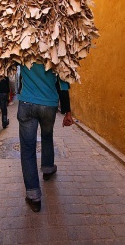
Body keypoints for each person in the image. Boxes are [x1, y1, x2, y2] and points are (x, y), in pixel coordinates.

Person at [17, 63, 74, 212]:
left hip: (27, 103)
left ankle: (34, 196)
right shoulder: (56, 51)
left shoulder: (23, 46)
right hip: (49, 105)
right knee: (47, 136)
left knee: (28, 149)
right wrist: (67, 111)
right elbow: (63, 83)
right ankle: (48, 169)